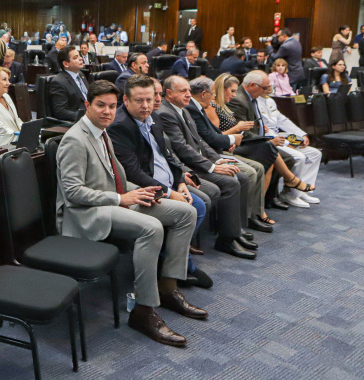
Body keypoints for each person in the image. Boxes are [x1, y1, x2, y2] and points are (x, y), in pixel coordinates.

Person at [55, 79, 203, 347]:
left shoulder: (102, 132)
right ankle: (143, 311)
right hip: (88, 213)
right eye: (101, 105)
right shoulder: (75, 140)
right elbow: (73, 193)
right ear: (87, 105)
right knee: (151, 228)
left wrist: (143, 191)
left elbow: (117, 179)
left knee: (185, 213)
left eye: (112, 106)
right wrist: (120, 198)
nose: (107, 111)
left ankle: (167, 288)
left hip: (114, 201)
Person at [109, 74, 214, 287]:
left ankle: (168, 258)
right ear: (126, 100)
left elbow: (168, 156)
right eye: (139, 100)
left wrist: (180, 182)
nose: (146, 105)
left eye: (149, 99)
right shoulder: (120, 126)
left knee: (201, 204)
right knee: (194, 208)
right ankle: (180, 266)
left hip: (166, 182)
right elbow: (133, 173)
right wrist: (169, 192)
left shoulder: (152, 117)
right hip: (142, 188)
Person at [155, 76, 256, 259]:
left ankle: (234, 232)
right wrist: (211, 167)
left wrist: (217, 160)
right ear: (169, 93)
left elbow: (200, 141)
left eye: (188, 90)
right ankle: (226, 239)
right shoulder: (165, 113)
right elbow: (181, 148)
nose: (188, 94)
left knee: (241, 177)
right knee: (230, 183)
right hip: (187, 166)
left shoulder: (183, 110)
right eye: (183, 91)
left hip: (198, 161)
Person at [186, 76, 270, 231]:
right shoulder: (195, 107)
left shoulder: (201, 106)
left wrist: (227, 143)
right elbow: (207, 139)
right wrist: (230, 139)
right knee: (248, 172)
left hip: (218, 151)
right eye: (183, 92)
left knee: (260, 163)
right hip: (209, 155)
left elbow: (206, 138)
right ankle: (238, 225)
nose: (187, 95)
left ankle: (249, 218)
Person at [228, 71, 315, 208]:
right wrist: (266, 140)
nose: (266, 90)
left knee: (287, 157)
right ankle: (270, 197)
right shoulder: (238, 100)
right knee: (275, 153)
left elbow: (261, 123)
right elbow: (243, 132)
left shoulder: (251, 97)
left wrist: (265, 137)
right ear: (252, 85)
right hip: (243, 144)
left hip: (256, 140)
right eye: (264, 87)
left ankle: (271, 196)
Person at [258, 83, 322, 206]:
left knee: (315, 153)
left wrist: (301, 134)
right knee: (299, 157)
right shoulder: (254, 103)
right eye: (267, 85)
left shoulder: (270, 101)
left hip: (280, 138)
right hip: (272, 140)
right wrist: (287, 143)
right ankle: (290, 194)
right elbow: (264, 130)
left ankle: (301, 191)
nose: (271, 87)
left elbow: (282, 120)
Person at [48, 46, 88, 122]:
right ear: (66, 64)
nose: (81, 58)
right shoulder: (58, 82)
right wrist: (86, 117)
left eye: (79, 56)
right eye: (76, 57)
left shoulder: (81, 75)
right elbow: (60, 111)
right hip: (76, 122)